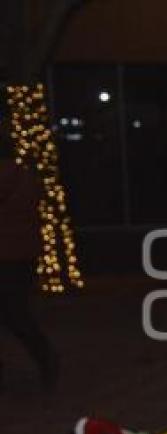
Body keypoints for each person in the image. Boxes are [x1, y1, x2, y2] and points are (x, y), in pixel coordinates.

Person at [0, 114, 59, 392]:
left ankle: (46, 359)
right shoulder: (26, 178)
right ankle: (45, 358)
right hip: (23, 254)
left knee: (14, 314)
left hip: (8, 254)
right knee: (17, 313)